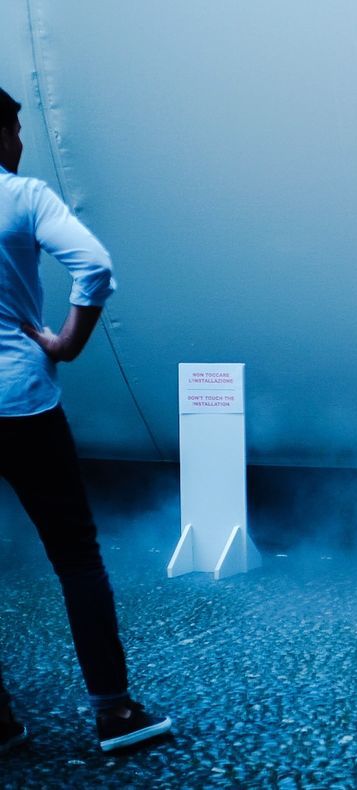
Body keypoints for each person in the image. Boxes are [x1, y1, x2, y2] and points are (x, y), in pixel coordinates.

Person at [0, 86, 171, 753]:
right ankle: (115, 712)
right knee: (75, 555)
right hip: (22, 401)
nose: (20, 139)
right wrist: (67, 342)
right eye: (12, 126)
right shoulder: (24, 195)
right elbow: (94, 265)